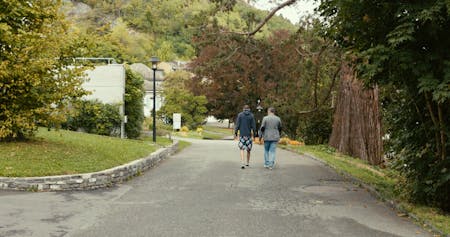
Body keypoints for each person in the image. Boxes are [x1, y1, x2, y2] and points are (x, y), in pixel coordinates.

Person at [234, 105, 257, 169]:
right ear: (249, 109)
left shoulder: (240, 115)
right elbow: (254, 126)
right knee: (248, 150)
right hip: (249, 135)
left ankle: (242, 162)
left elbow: (237, 125)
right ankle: (247, 162)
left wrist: (235, 133)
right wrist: (254, 135)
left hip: (242, 135)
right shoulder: (251, 116)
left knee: (242, 149)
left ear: (243, 109)